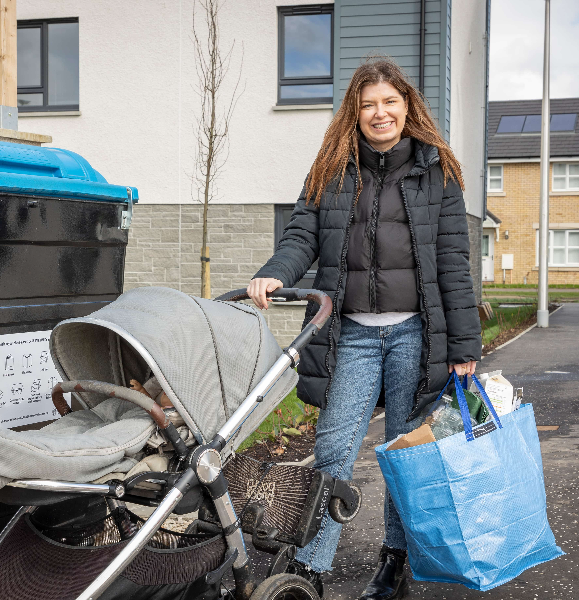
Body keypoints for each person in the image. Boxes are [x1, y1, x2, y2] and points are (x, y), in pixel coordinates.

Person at [247, 58, 481, 600]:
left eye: (390, 103)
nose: (380, 113)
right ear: (354, 112)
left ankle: (394, 559)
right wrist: (274, 274)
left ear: (407, 108)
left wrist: (465, 346)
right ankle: (311, 564)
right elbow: (302, 234)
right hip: (349, 332)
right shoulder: (331, 168)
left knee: (404, 452)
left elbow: (453, 264)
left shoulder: (437, 172)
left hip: (416, 336)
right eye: (368, 104)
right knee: (333, 448)